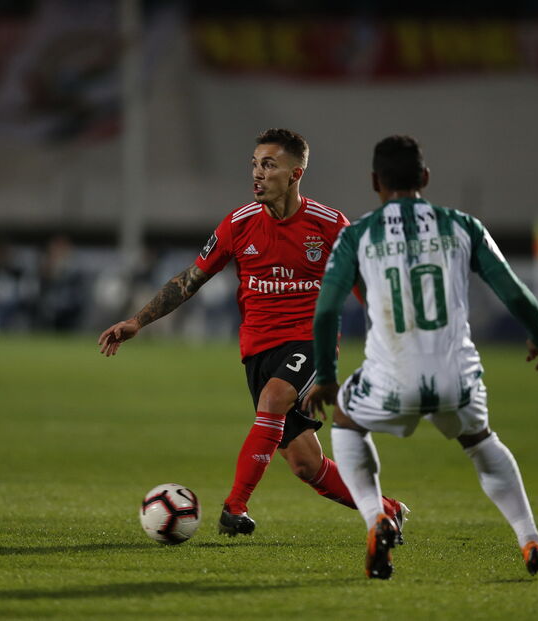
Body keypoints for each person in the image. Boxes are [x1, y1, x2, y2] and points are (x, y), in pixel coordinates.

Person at [98, 128, 406, 537]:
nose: (258, 174)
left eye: (269, 165)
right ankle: (387, 509)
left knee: (274, 397)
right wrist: (137, 320)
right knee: (305, 464)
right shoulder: (239, 224)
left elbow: (365, 287)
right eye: (255, 165)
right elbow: (191, 279)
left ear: (295, 174)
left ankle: (234, 507)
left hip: (309, 340)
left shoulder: (330, 225)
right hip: (258, 350)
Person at [303, 135, 538, 579]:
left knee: (345, 420)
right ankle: (530, 538)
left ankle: (375, 518)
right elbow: (513, 291)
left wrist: (326, 375)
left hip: (391, 378)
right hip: (456, 376)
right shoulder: (462, 226)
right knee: (480, 442)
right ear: (424, 177)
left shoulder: (358, 235)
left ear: (374, 182)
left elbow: (326, 311)